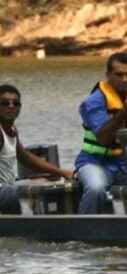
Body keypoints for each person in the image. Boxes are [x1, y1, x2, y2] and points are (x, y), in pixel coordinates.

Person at [75, 52, 127, 214]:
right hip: (96, 162)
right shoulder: (93, 102)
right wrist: (123, 112)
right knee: (96, 188)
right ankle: (84, 230)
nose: (124, 79)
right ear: (108, 75)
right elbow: (103, 138)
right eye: (119, 74)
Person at [0, 84, 74, 214]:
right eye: (5, 103)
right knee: (11, 194)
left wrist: (63, 172)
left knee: (44, 183)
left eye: (15, 103)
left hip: (8, 185)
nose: (11, 106)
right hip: (4, 191)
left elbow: (26, 158)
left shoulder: (12, 130)